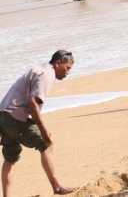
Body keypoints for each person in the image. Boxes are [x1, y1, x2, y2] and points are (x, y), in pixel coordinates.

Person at [0, 50, 77, 196]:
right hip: (16, 116)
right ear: (58, 63)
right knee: (46, 144)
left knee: (10, 158)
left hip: (3, 117)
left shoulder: (37, 69)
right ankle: (57, 187)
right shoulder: (47, 75)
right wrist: (43, 128)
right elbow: (32, 103)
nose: (68, 73)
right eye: (67, 68)